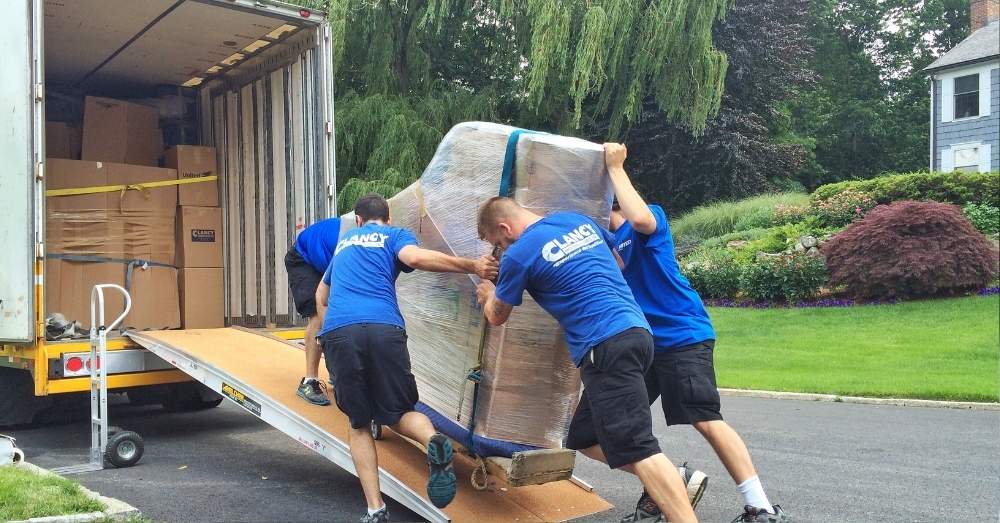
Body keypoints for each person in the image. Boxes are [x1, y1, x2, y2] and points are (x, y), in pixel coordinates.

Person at [475, 197, 699, 523]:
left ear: (505, 228)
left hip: (605, 345)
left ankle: (671, 492)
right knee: (584, 438)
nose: (500, 250)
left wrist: (486, 295)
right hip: (636, 332)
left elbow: (497, 316)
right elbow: (618, 263)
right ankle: (667, 478)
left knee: (638, 447)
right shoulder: (576, 221)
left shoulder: (519, 255)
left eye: (498, 243)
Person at [601, 142, 790, 523]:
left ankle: (762, 508)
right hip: (645, 345)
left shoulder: (648, 220)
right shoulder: (606, 243)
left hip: (682, 335)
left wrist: (615, 169)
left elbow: (638, 219)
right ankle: (669, 483)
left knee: (705, 417)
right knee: (595, 433)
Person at [318, 194, 498, 523]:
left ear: (358, 220)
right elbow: (413, 258)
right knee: (400, 412)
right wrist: (473, 265)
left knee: (359, 425)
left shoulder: (344, 244)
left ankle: (375, 509)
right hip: (384, 327)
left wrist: (330, 333)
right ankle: (433, 441)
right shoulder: (394, 235)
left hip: (340, 331)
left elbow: (321, 296)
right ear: (387, 218)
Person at [284, 216, 341, 406]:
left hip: (325, 260)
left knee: (341, 313)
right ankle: (309, 381)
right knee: (318, 317)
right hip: (303, 260)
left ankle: (338, 373)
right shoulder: (343, 242)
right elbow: (323, 295)